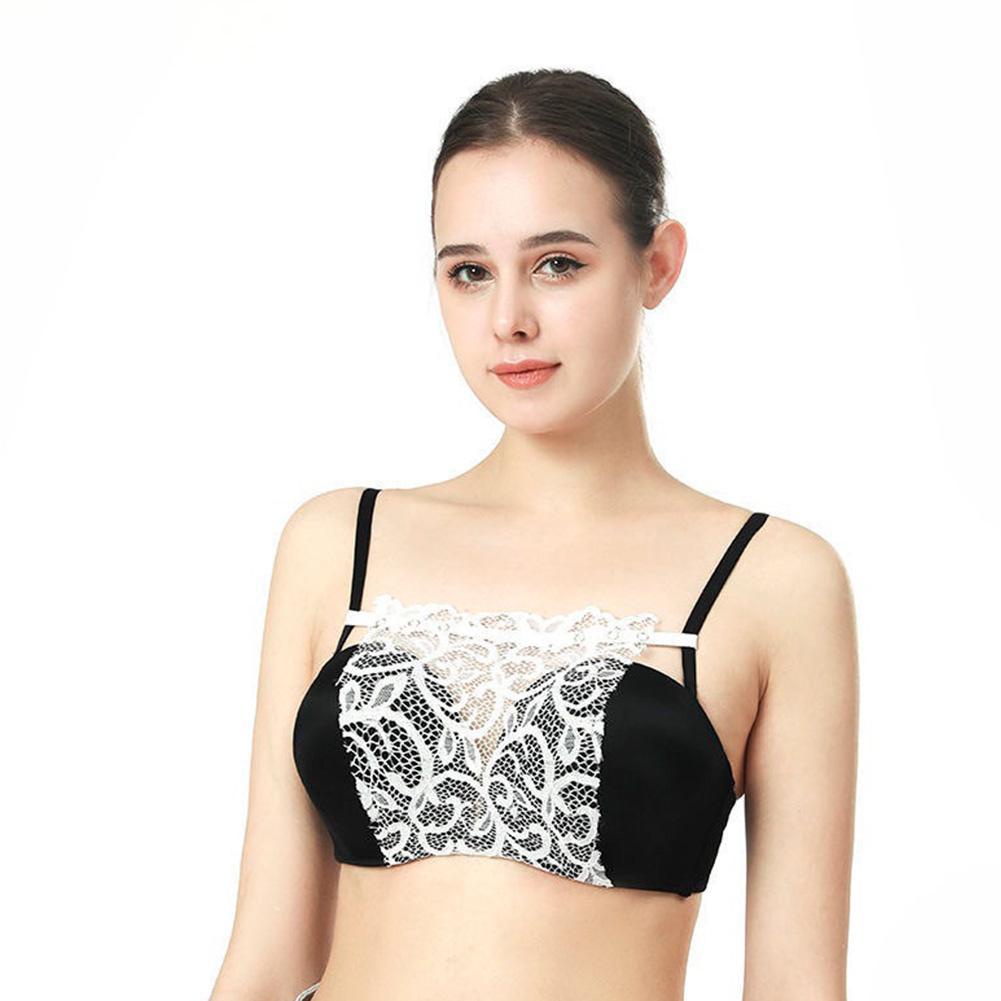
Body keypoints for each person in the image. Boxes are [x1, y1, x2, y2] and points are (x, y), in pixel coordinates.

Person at [209, 68, 858, 1001]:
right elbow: (266, 960)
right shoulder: (335, 543)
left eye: (557, 263)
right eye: (469, 272)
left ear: (657, 263)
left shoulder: (773, 578)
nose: (508, 320)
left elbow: (796, 986)